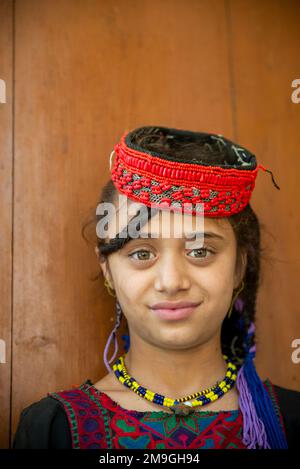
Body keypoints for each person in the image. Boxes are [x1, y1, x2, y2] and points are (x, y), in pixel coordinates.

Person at [13, 125, 300, 449]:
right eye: (142, 253)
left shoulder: (290, 422)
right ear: (107, 268)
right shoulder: (53, 431)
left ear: (238, 267)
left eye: (200, 251)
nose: (171, 282)